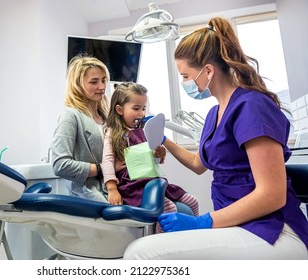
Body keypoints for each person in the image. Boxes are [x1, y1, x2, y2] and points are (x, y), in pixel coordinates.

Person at [124, 17, 308, 259]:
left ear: (208, 70)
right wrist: (162, 138)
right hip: (240, 224)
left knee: (141, 254)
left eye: (186, 76)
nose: (184, 83)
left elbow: (272, 194)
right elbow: (198, 164)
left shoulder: (251, 106)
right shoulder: (214, 113)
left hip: (274, 229)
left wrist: (203, 222)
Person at [102, 82, 199, 233]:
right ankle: (158, 244)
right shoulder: (113, 133)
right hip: (134, 186)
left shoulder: (145, 131)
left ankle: (196, 237)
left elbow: (153, 160)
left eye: (143, 108)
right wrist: (112, 188)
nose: (141, 113)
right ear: (119, 109)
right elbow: (107, 161)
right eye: (136, 108)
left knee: (192, 201)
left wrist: (159, 155)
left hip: (153, 180)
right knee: (170, 208)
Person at [50, 54, 109, 202]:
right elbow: (60, 165)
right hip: (90, 193)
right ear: (77, 84)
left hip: (115, 189)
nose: (101, 87)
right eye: (94, 82)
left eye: (103, 80)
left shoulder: (107, 117)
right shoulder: (71, 116)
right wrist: (103, 169)